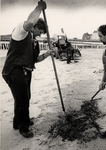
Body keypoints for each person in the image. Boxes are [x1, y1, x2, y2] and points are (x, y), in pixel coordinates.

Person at [2, 1, 54, 138]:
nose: (41, 34)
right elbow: (29, 23)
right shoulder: (22, 31)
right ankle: (23, 128)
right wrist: (39, 8)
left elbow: (35, 59)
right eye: (40, 31)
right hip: (15, 70)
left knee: (24, 97)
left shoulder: (34, 41)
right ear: (35, 26)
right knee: (22, 99)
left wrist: (47, 54)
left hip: (26, 71)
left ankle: (18, 121)